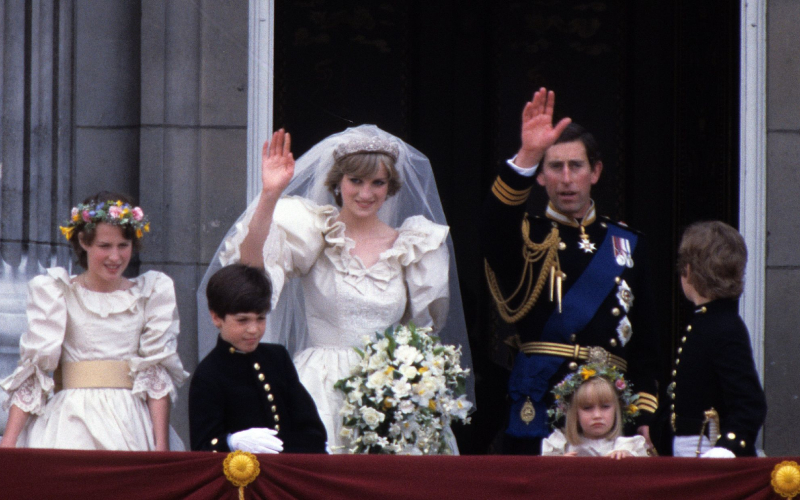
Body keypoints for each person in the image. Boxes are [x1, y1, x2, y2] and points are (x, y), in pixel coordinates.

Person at [198, 125, 471, 453]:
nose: (366, 193)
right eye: (356, 181)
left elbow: (423, 334)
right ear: (338, 182)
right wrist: (269, 196)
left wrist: (411, 383)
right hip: (319, 389)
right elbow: (251, 270)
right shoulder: (317, 232)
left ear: (391, 186)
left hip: (391, 392)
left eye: (377, 183)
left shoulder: (415, 246)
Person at [482, 88, 659, 454]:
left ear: (594, 172)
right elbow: (492, 229)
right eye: (554, 166)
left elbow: (645, 345)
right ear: (541, 176)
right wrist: (527, 156)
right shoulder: (527, 235)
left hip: (608, 411)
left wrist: (644, 417)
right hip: (541, 401)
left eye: (575, 166)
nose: (566, 178)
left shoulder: (627, 245)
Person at [0, 191, 188, 451]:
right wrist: (8, 444)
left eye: (123, 245)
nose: (115, 257)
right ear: (83, 242)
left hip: (131, 422)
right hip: (70, 421)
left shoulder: (151, 292)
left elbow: (155, 371)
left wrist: (160, 446)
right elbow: (35, 369)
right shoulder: (57, 292)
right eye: (104, 246)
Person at [189, 264, 327, 453]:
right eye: (242, 320)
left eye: (260, 318)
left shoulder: (277, 358)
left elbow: (313, 431)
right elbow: (202, 447)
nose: (253, 329)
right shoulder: (209, 374)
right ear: (216, 318)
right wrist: (231, 443)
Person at [667, 221, 766, 457]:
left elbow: (750, 404)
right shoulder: (709, 321)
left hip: (708, 449)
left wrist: (727, 448)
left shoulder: (724, 327)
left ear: (688, 270)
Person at [541, 363, 647, 458]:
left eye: (605, 407)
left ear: (616, 410)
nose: (597, 415)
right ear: (574, 413)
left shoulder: (627, 446)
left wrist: (628, 460)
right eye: (587, 408)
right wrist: (558, 466)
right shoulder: (560, 446)